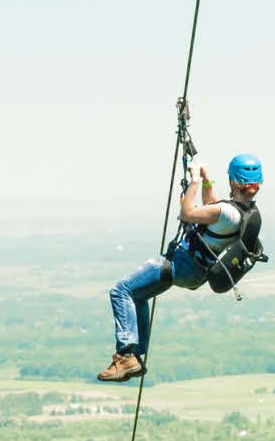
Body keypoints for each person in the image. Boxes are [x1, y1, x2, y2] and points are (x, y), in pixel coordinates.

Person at [99, 152, 263, 383]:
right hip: (196, 271)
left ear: (233, 180)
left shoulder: (225, 212)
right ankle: (134, 358)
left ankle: (126, 355)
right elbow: (212, 206)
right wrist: (206, 179)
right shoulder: (241, 212)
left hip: (182, 263)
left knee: (121, 290)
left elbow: (187, 213)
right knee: (138, 296)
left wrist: (195, 181)